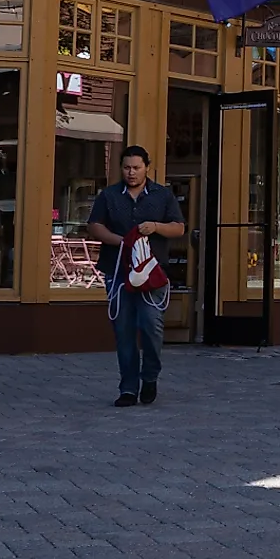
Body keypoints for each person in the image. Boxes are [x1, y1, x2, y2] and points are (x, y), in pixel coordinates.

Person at [82, 145, 184, 408]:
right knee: (124, 331)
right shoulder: (110, 195)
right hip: (118, 272)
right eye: (127, 167)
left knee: (151, 327)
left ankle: (150, 377)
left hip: (152, 272)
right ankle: (128, 388)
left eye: (136, 167)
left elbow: (179, 228)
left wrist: (155, 227)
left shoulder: (162, 195)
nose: (131, 172)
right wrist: (121, 241)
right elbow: (94, 225)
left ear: (147, 167)